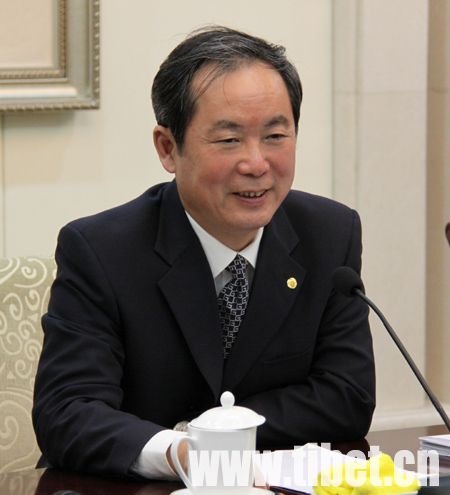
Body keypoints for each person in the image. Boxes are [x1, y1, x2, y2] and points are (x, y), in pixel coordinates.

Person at [32, 25, 375, 479]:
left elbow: (347, 397)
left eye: (276, 135)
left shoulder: (330, 234)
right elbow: (67, 411)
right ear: (168, 148)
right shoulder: (100, 250)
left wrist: (209, 435)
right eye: (229, 140)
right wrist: (180, 452)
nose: (256, 164)